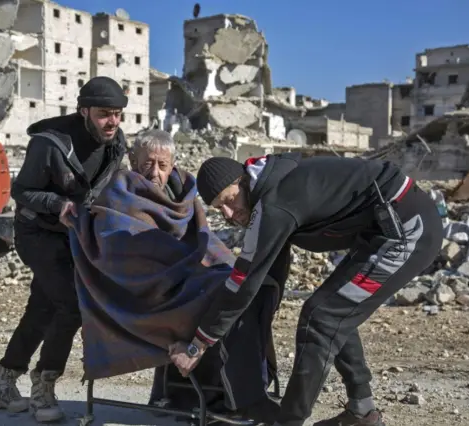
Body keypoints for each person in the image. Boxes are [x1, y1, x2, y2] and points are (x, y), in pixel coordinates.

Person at [169, 154, 443, 426]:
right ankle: (362, 412)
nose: (228, 214)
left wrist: (198, 344)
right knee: (330, 308)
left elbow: (243, 282)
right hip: (382, 230)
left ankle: (289, 421)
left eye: (229, 200)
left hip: (406, 230)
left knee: (322, 318)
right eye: (219, 209)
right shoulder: (271, 182)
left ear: (242, 181)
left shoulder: (274, 205)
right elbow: (263, 276)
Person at [0, 76, 128, 423]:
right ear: (84, 112)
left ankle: (3, 382)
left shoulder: (115, 143)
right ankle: (44, 385)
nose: (112, 122)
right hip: (37, 231)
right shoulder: (49, 145)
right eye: (104, 114)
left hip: (74, 233)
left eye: (118, 114)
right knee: (70, 305)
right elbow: (21, 192)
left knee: (42, 308)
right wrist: (58, 204)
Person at [129, 130, 285, 422]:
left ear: (172, 166)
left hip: (187, 281)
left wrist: (232, 269)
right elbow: (128, 253)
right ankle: (237, 398)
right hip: (153, 289)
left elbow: (205, 242)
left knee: (245, 287)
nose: (154, 173)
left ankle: (237, 392)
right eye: (147, 163)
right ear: (133, 161)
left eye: (162, 165)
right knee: (224, 296)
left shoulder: (182, 196)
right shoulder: (123, 196)